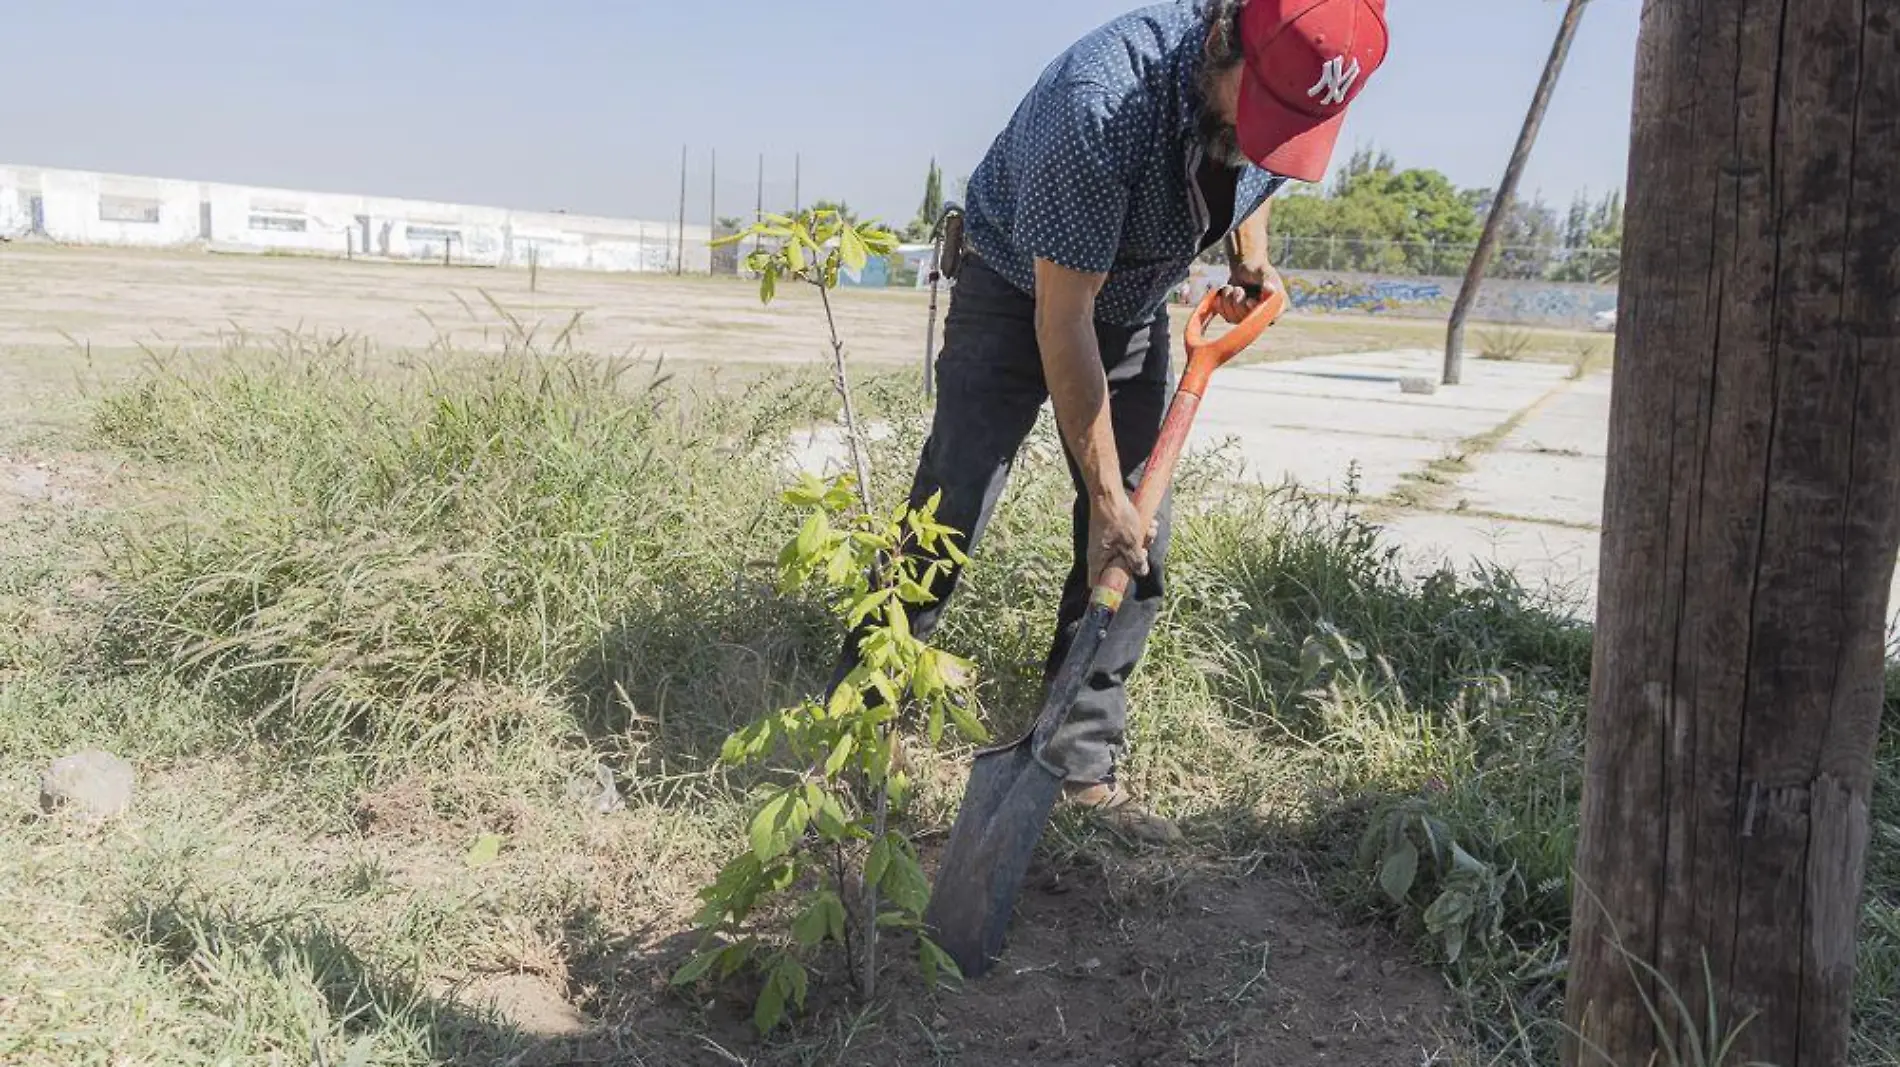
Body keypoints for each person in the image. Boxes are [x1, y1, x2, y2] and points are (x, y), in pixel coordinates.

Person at [833, 0, 1389, 840]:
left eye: (1294, 127)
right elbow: (1064, 323)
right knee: (952, 504)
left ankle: (1077, 757)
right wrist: (1101, 495)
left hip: (1130, 305)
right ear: (1220, 40)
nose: (1273, 137)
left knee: (1140, 538)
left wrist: (1248, 248)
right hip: (1017, 288)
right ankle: (858, 718)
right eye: (1264, 112)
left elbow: (1256, 165)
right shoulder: (1101, 103)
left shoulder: (1289, 90)